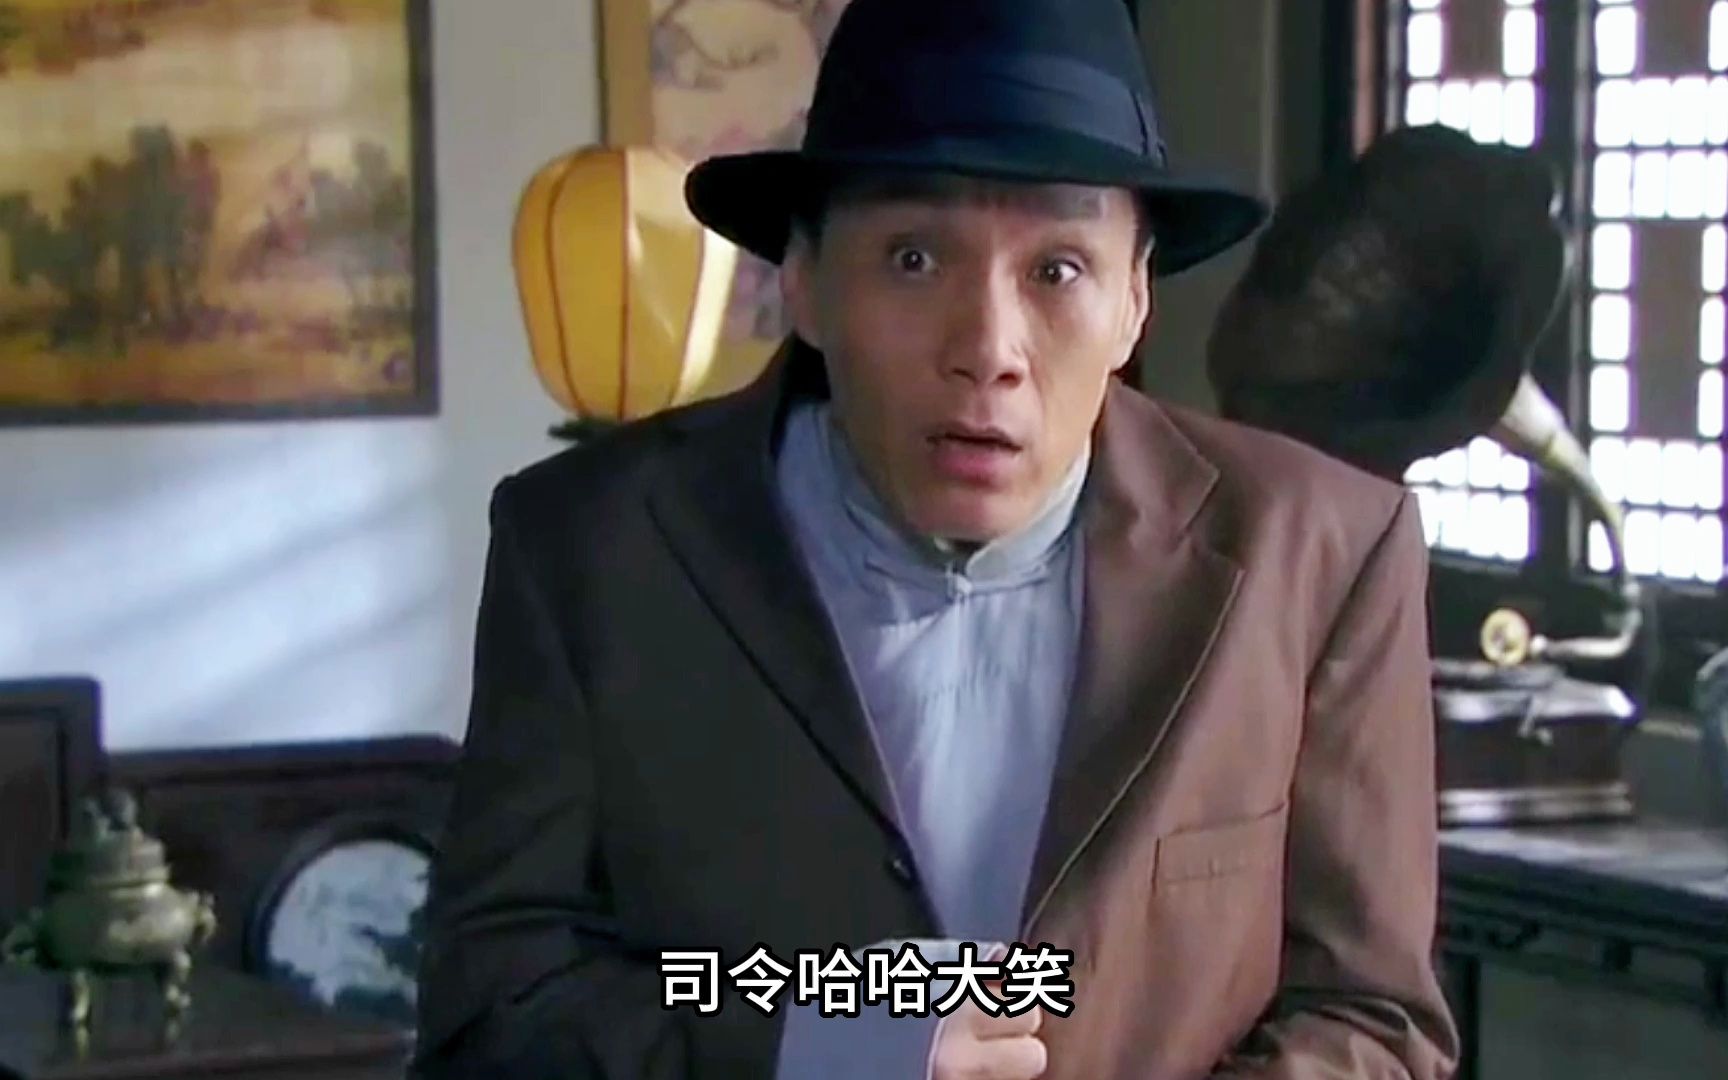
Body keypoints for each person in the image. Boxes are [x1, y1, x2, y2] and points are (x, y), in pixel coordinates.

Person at [413, 0, 1460, 1077]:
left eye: (1058, 270)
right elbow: (494, 1006)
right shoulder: (592, 548)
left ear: (1135, 301)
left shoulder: (1322, 554)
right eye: (914, 258)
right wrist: (829, 1042)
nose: (988, 349)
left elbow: (1373, 1019)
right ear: (805, 281)